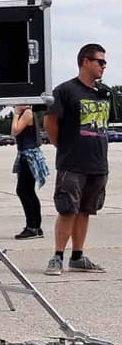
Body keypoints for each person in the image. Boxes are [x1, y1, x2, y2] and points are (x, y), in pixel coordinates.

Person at [44, 44, 112, 275]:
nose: (103, 66)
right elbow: (50, 123)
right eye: (99, 61)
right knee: (67, 210)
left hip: (98, 163)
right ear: (85, 61)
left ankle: (78, 255)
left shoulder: (104, 93)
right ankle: (57, 256)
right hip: (72, 162)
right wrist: (62, 146)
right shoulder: (64, 91)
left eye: (104, 62)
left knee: (85, 210)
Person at [11, 104, 49, 240]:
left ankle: (33, 227)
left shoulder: (27, 113)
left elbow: (15, 130)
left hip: (29, 156)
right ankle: (35, 226)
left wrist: (16, 114)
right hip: (25, 154)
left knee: (24, 190)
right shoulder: (26, 113)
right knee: (27, 191)